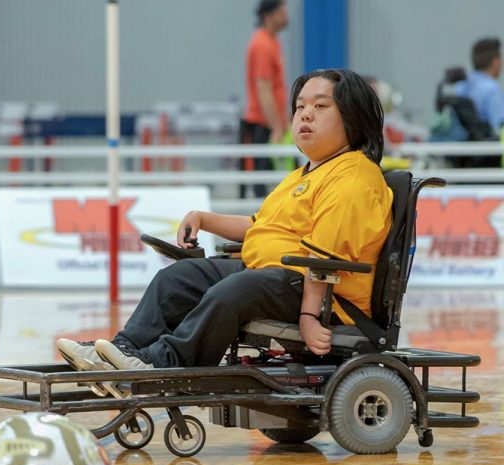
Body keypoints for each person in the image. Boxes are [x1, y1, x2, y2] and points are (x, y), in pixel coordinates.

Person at [57, 69, 391, 377]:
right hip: (274, 276)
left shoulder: (353, 177)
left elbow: (323, 258)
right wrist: (204, 218)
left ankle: (163, 362)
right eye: (300, 106)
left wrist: (309, 316)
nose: (305, 114)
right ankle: (122, 350)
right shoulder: (305, 174)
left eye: (320, 106)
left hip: (324, 295)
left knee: (233, 290)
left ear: (353, 117)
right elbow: (260, 226)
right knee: (177, 278)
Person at [239, 0, 289, 198]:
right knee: (262, 184)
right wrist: (275, 126)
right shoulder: (262, 44)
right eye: (282, 11)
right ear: (269, 15)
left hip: (269, 123)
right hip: (262, 124)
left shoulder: (272, 42)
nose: (286, 15)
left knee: (272, 183)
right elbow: (264, 88)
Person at [455, 37, 504, 135]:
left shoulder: (460, 85)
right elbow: (500, 125)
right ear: (495, 61)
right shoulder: (491, 89)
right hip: (485, 143)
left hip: (462, 143)